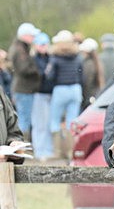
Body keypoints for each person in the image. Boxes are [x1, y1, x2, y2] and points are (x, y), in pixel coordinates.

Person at [46, 30, 83, 162]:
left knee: (55, 120)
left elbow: (49, 76)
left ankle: (57, 152)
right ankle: (70, 151)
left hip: (60, 88)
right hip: (75, 88)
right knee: (71, 121)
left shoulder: (55, 57)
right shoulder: (77, 55)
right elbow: (80, 73)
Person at [7, 22, 41, 139]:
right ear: (24, 35)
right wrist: (37, 70)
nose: (33, 38)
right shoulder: (19, 49)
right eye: (32, 35)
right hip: (23, 90)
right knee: (24, 119)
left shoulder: (22, 48)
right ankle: (21, 145)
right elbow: (23, 69)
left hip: (25, 89)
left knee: (25, 118)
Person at [30, 32, 55, 162]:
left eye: (45, 44)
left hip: (51, 93)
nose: (43, 47)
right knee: (40, 123)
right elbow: (42, 74)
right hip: (39, 94)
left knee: (49, 123)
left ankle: (49, 150)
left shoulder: (50, 57)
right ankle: (40, 150)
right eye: (41, 45)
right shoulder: (34, 59)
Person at [79, 37, 105, 109]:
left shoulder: (88, 64)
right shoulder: (97, 62)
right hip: (94, 95)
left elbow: (87, 83)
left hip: (88, 97)